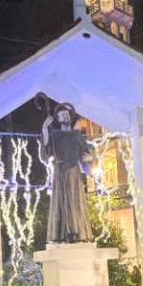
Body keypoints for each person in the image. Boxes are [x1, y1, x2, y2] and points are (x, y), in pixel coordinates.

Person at [42, 103, 94, 244]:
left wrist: (87, 158)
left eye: (67, 114)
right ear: (58, 119)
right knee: (61, 200)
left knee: (74, 200)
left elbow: (88, 153)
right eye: (62, 115)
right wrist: (44, 128)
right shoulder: (55, 135)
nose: (65, 116)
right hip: (60, 171)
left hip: (73, 170)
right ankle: (61, 233)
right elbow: (47, 150)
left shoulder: (77, 135)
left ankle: (75, 231)